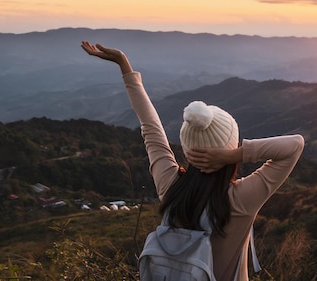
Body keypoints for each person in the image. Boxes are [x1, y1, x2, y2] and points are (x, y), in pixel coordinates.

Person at [81, 41, 304, 281]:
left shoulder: (170, 185)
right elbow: (295, 145)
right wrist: (234, 154)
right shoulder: (241, 200)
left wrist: (124, 65)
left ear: (188, 151)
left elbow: (151, 127)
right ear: (229, 147)